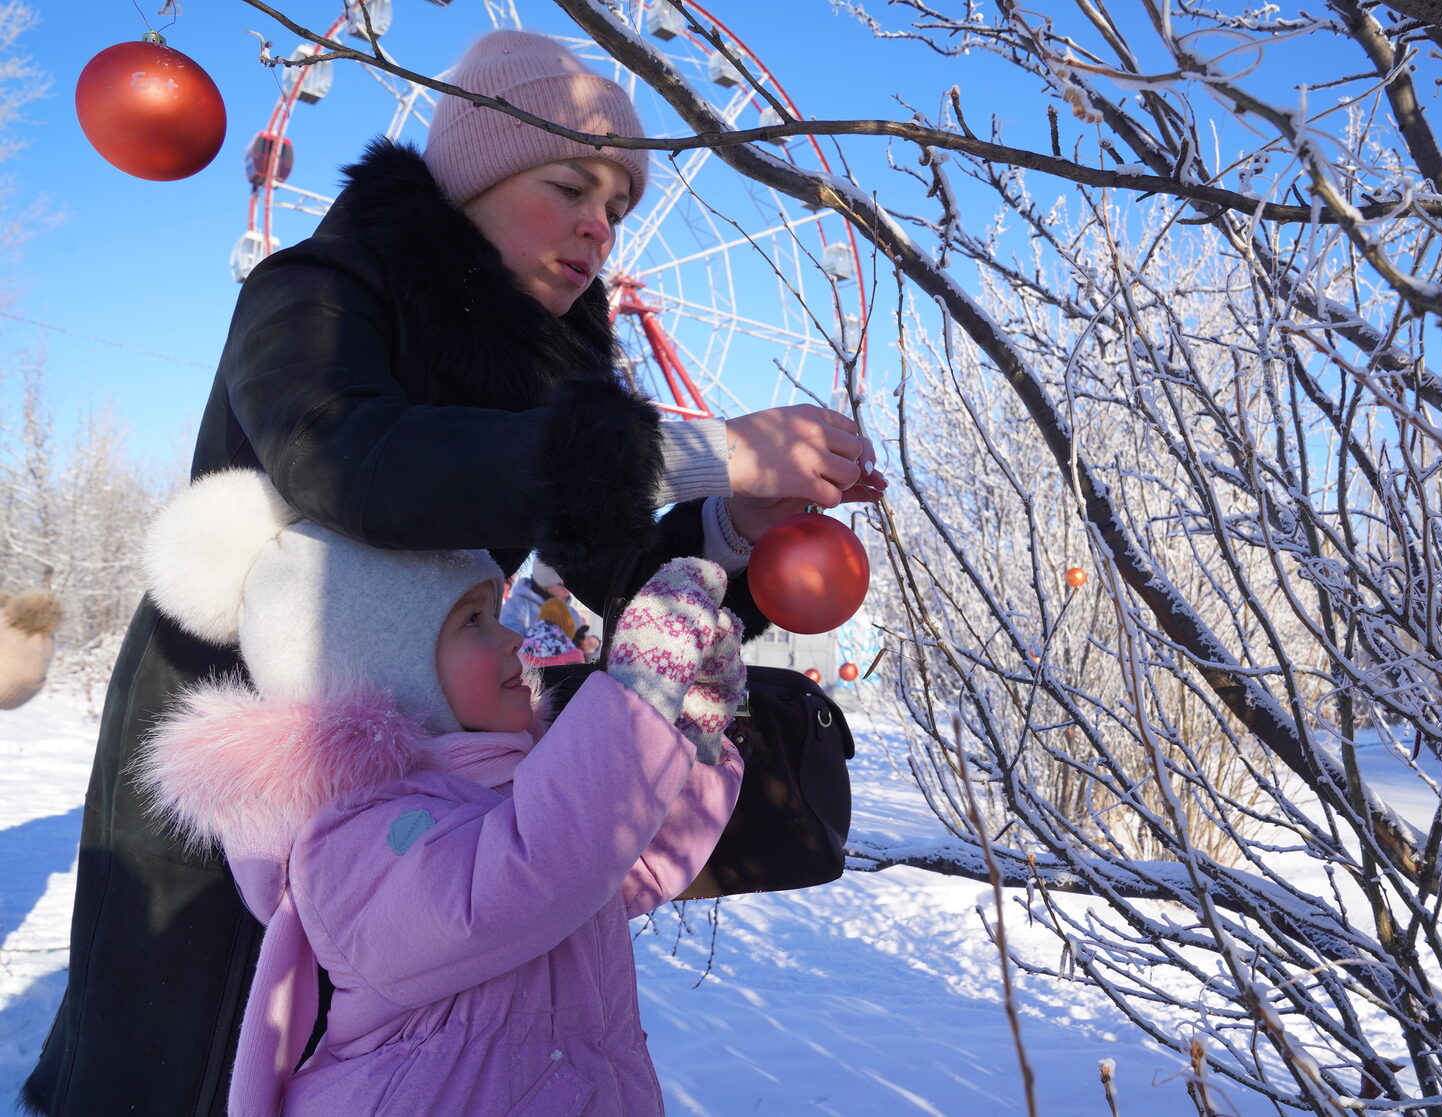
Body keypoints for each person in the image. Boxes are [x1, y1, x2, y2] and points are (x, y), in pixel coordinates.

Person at [23, 28, 883, 1117]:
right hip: (258, 784)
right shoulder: (316, 294)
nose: (597, 227)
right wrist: (704, 446)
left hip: (449, 820)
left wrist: (725, 530)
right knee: (203, 1058)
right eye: (569, 184)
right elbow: (360, 466)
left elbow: (561, 613)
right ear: (472, 175)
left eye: (617, 206)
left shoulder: (566, 377)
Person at [135, 470, 744, 1117]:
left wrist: (691, 731)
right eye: (474, 620)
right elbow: (532, 875)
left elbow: (619, 863)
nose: (512, 635)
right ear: (385, 668)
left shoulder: (511, 793)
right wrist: (636, 699)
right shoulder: (343, 846)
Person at [502, 559, 580, 639]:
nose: (567, 591)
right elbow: (507, 643)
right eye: (562, 585)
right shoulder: (516, 607)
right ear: (545, 584)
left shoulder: (571, 613)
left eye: (569, 586)